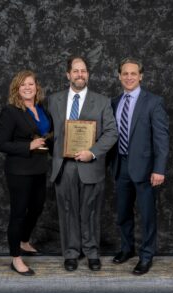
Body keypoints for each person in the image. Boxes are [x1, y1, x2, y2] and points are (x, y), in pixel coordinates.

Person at [47, 56, 118, 271]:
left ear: (88, 74)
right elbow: (48, 131)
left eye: (84, 71)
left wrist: (93, 152)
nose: (80, 74)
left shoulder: (102, 101)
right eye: (76, 71)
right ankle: (71, 252)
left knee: (91, 211)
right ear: (68, 74)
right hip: (64, 165)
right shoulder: (53, 100)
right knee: (67, 210)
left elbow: (112, 132)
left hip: (90, 165)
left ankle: (92, 252)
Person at [111, 57, 169, 275]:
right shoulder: (115, 102)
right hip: (121, 165)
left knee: (147, 215)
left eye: (133, 73)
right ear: (119, 76)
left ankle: (146, 256)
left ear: (141, 76)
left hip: (146, 169)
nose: (129, 77)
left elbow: (162, 139)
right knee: (123, 213)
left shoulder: (153, 102)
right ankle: (127, 248)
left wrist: (159, 168)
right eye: (125, 73)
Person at [0, 70, 53, 276]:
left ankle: (24, 240)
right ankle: (16, 258)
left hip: (39, 168)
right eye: (23, 85)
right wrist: (28, 146)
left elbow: (46, 136)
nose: (28, 88)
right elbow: (0, 143)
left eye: (31, 84)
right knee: (19, 213)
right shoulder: (10, 111)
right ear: (16, 89)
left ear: (37, 87)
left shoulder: (40, 109)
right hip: (19, 170)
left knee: (37, 208)